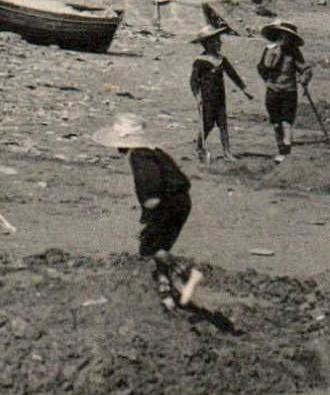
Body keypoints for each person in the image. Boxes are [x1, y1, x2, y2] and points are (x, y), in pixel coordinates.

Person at [91, 112, 202, 311]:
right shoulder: (154, 151)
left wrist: (150, 216)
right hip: (180, 201)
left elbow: (152, 190)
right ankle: (166, 293)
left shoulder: (139, 156)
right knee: (160, 246)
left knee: (149, 248)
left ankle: (185, 272)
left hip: (167, 204)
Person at [188, 23, 252, 163]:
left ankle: (227, 152)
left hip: (220, 98)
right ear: (208, 43)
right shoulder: (200, 61)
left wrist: (244, 89)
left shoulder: (221, 60)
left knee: (223, 125)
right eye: (217, 40)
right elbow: (193, 81)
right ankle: (199, 147)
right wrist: (197, 97)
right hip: (207, 99)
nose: (220, 42)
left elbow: (233, 75)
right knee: (207, 124)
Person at [257, 20, 311, 162]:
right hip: (273, 90)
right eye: (282, 36)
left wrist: (304, 78)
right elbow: (263, 68)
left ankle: (286, 152)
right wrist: (273, 54)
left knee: (287, 122)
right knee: (276, 122)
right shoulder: (269, 50)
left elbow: (305, 69)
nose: (284, 39)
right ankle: (280, 147)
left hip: (289, 90)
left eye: (287, 37)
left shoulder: (294, 53)